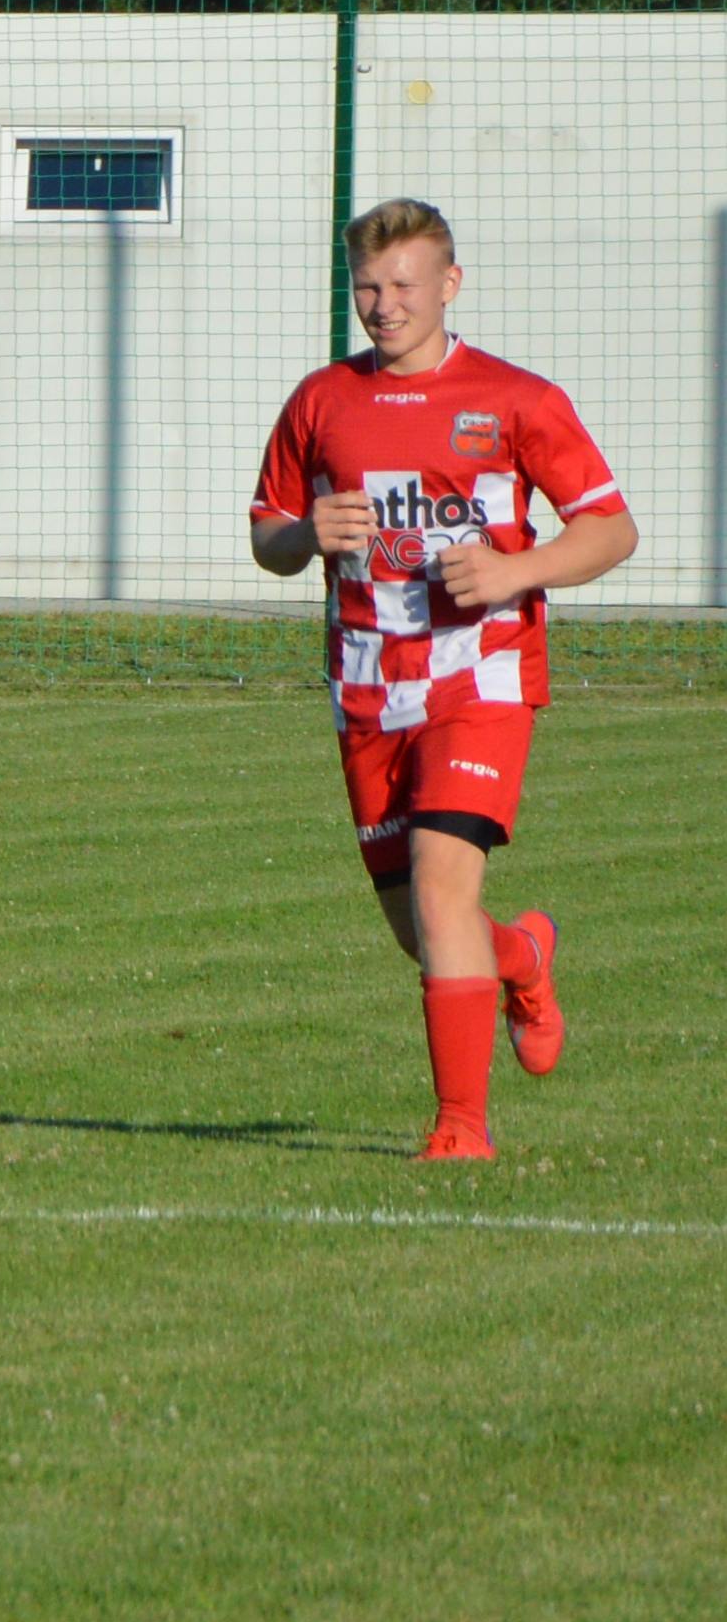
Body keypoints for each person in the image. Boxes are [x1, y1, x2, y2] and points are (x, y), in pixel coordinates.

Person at [251, 198, 636, 1160]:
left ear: (449, 285)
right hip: (369, 689)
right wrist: (305, 536)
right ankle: (523, 957)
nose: (383, 307)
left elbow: (610, 528)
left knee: (438, 890)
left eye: (403, 286)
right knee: (422, 928)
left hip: (482, 681)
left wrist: (516, 570)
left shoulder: (515, 399)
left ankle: (461, 1130)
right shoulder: (320, 400)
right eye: (367, 288)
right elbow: (268, 535)